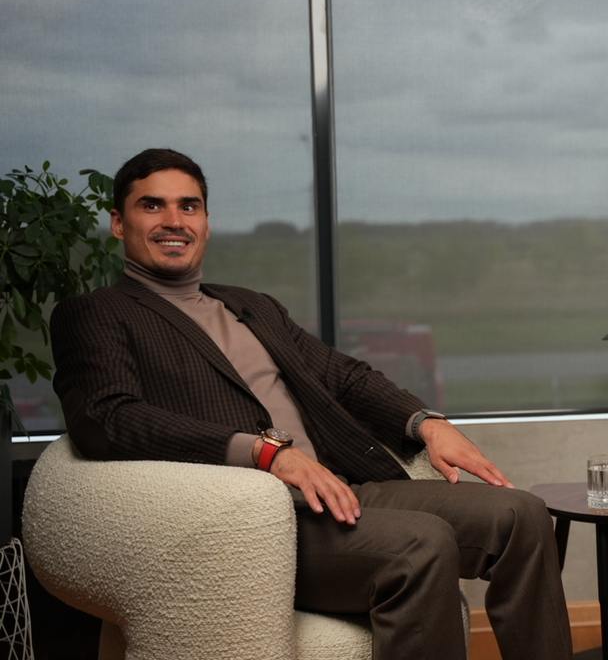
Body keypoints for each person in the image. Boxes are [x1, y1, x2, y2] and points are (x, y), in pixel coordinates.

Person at [50, 148, 572, 660]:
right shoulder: (97, 314)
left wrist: (426, 424)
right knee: (424, 542)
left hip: (343, 490)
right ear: (118, 223)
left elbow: (344, 375)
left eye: (189, 206)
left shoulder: (251, 305)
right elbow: (106, 418)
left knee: (521, 515)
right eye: (152, 205)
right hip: (260, 523)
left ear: (206, 222)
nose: (173, 221)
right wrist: (265, 452)